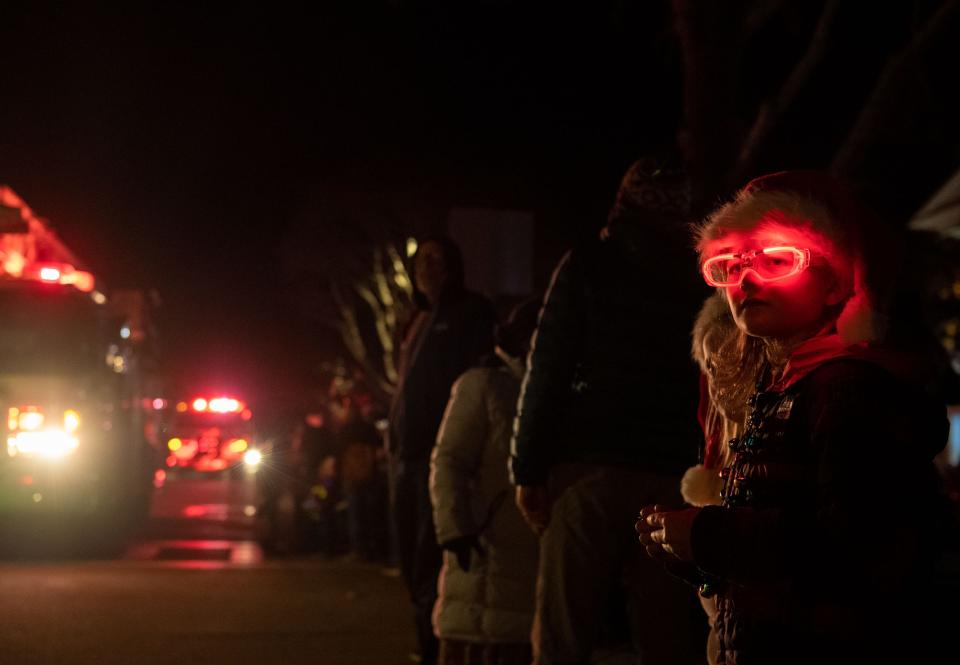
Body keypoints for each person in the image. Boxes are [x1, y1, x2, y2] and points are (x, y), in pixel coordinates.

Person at [637, 170, 949, 664]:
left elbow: (854, 549)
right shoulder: (785, 387)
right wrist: (696, 556)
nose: (747, 279)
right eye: (731, 265)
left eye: (778, 259)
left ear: (835, 281)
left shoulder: (850, 391)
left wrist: (707, 535)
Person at [511, 156, 705, 665]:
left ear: (623, 201)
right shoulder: (701, 279)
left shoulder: (589, 263)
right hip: (671, 476)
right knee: (666, 635)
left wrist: (527, 469)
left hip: (588, 468)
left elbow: (548, 367)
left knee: (563, 631)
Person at [388, 236, 496, 665]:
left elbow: (478, 380)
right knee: (411, 560)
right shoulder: (418, 318)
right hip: (407, 457)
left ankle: (437, 647)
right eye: (421, 259)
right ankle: (425, 641)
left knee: (432, 557)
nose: (426, 266)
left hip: (442, 457)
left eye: (436, 258)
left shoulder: (470, 312)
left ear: (453, 265)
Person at [429, 296, 542, 665]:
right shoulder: (482, 385)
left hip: (526, 551)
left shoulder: (547, 391)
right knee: (482, 632)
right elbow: (449, 460)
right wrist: (455, 529)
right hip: (484, 546)